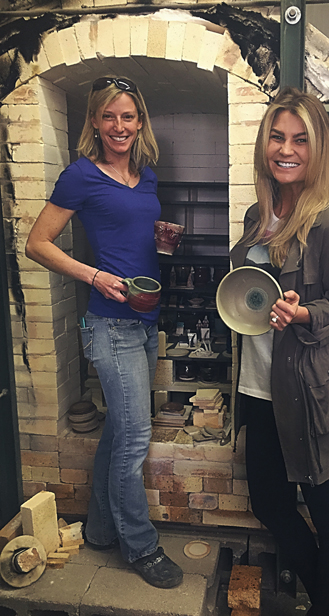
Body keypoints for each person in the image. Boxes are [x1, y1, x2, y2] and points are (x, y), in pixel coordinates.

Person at [25, 76, 183, 589]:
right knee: (136, 437)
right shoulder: (80, 176)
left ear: (140, 123)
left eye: (129, 117)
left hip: (144, 318)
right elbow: (37, 243)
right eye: (109, 116)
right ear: (95, 121)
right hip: (109, 324)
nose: (120, 126)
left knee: (118, 432)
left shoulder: (148, 176)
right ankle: (140, 545)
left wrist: (161, 250)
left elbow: (133, 237)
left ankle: (98, 529)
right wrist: (93, 274)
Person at [231, 87, 329, 616]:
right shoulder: (252, 219)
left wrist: (305, 315)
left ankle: (325, 605)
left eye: (301, 140)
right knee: (270, 504)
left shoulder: (328, 224)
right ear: (266, 143)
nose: (287, 149)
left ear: (318, 149)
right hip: (258, 388)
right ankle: (326, 592)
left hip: (311, 392)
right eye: (278, 137)